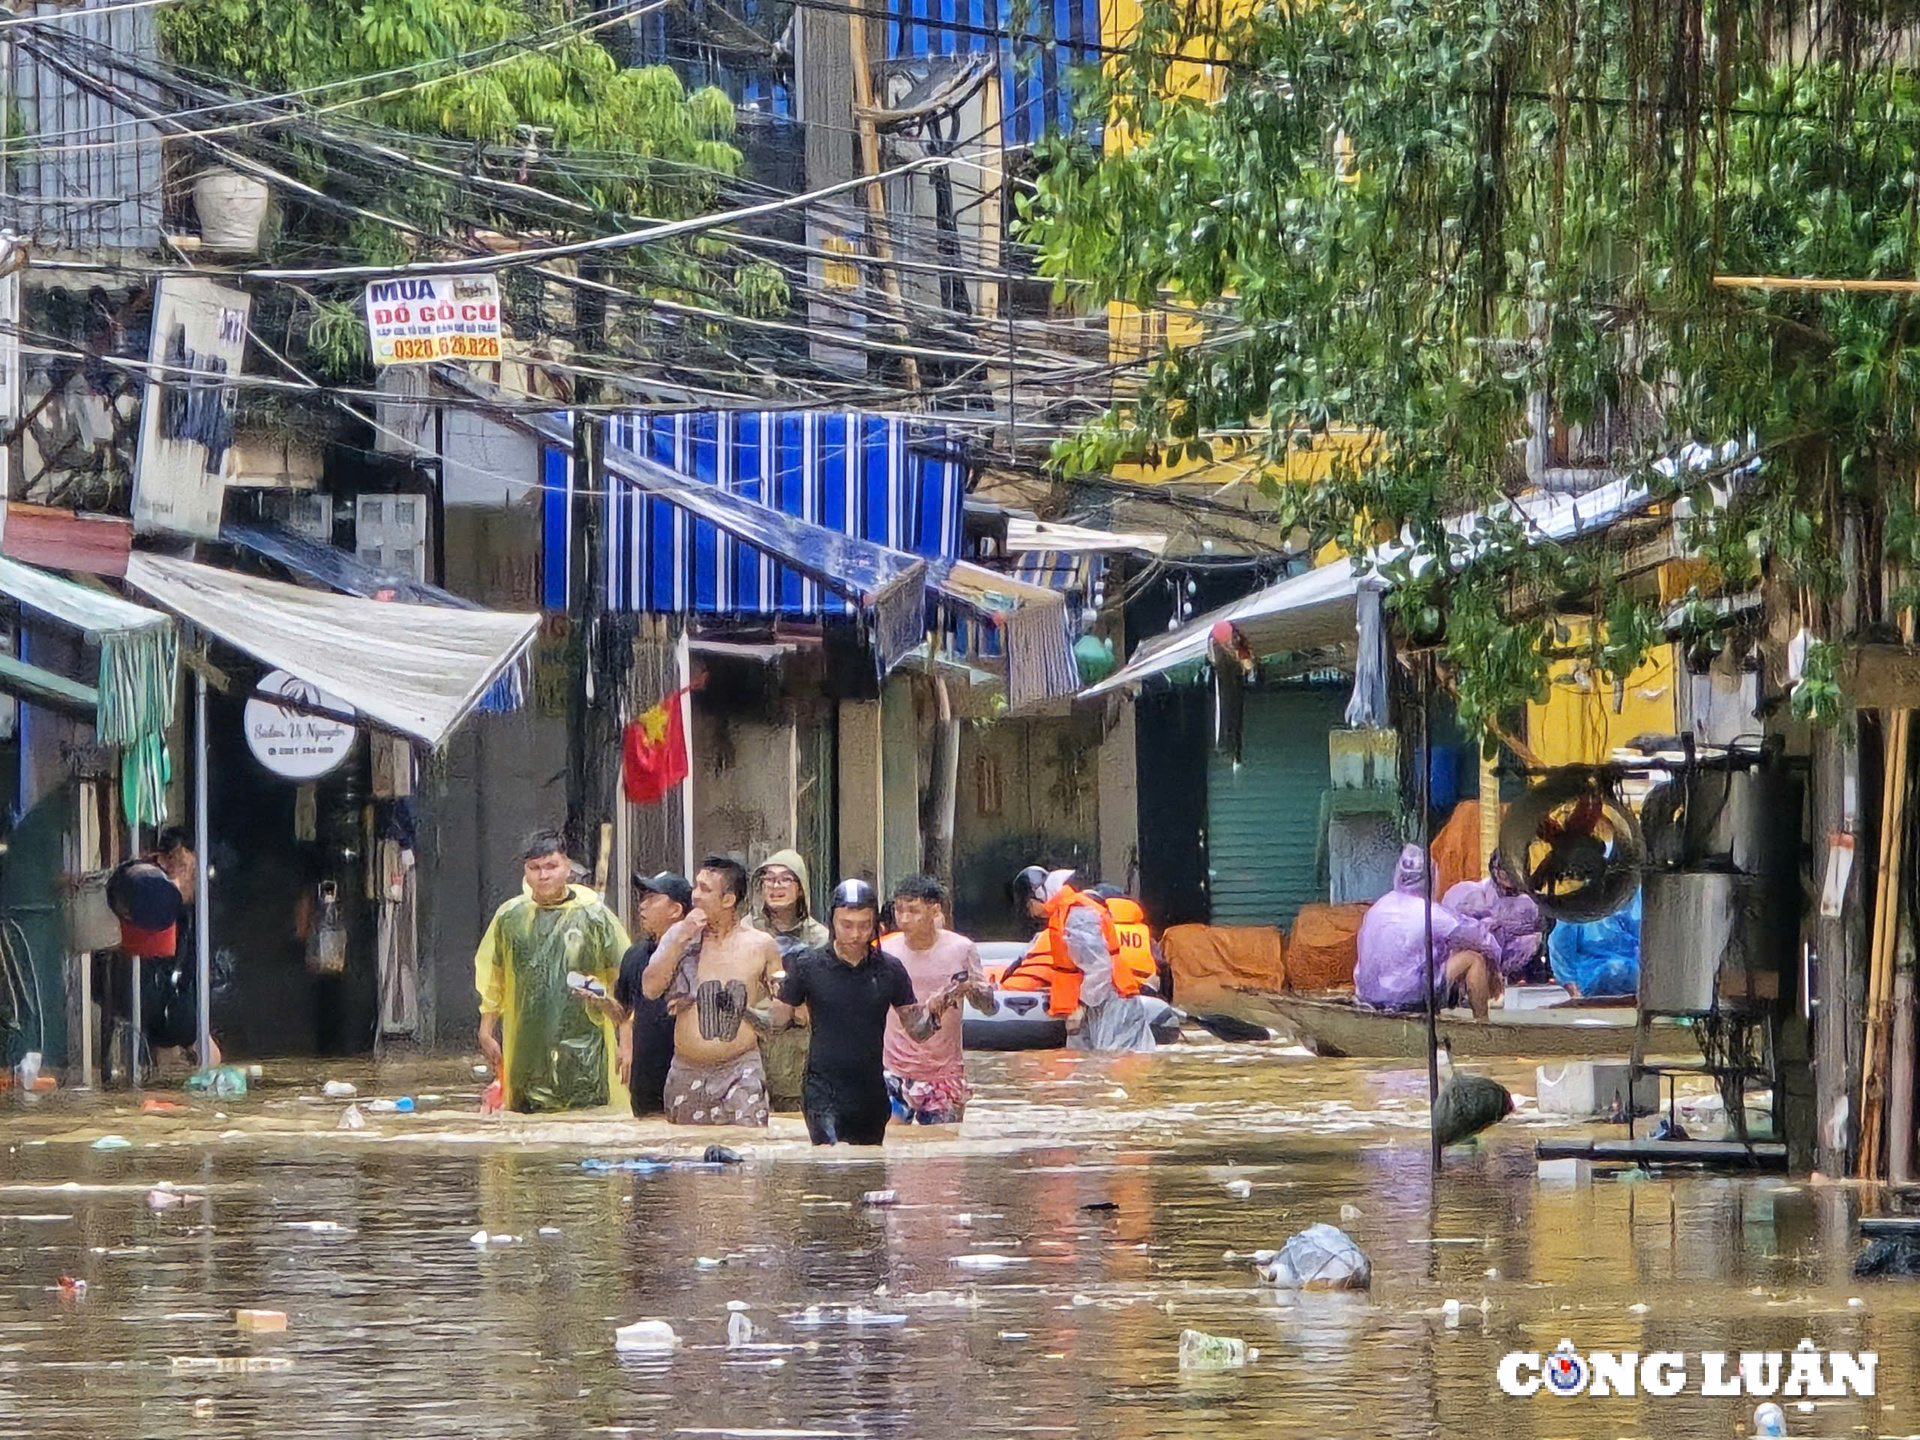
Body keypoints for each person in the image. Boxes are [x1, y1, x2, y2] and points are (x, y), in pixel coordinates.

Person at [758, 879, 959, 1145]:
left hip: (871, 1094)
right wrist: (745, 1010)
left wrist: (936, 1011)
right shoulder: (807, 965)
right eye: (847, 925)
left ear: (876, 923)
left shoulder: (890, 970)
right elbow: (776, 1023)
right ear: (832, 922)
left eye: (864, 926)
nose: (855, 934)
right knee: (829, 1161)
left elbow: (918, 1032)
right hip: (822, 1091)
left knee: (868, 1173)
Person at [474, 830, 630, 1113]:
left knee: (586, 1121)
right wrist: (486, 1029)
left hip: (586, 1045)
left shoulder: (594, 915)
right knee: (526, 1125)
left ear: (567, 867)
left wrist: (627, 1043)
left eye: (551, 866)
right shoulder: (511, 918)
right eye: (534, 868)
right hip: (527, 1045)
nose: (543, 876)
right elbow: (494, 977)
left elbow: (626, 979)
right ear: (525, 871)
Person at [643, 855, 781, 1126]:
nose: (695, 896)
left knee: (747, 1155)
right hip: (687, 1069)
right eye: (696, 887)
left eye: (705, 890)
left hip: (741, 1068)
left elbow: (780, 1002)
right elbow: (650, 988)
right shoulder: (677, 936)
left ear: (728, 900)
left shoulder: (761, 945)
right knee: (688, 1159)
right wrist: (682, 937)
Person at [881, 875, 997, 1125]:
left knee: (943, 1154)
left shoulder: (961, 949)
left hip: (944, 1075)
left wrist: (972, 990)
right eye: (899, 910)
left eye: (913, 911)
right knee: (890, 1145)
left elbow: (988, 1007)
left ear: (935, 911)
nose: (904, 919)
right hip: (893, 1070)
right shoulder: (886, 951)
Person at [1014, 866, 1157, 1053]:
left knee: (1118, 1065)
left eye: (1029, 905)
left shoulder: (1077, 914)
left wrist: (1080, 1007)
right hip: (1092, 1005)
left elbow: (1099, 967)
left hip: (1113, 1003)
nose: (1031, 912)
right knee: (1081, 1065)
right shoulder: (1063, 914)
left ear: (1039, 895)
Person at [1354, 844, 1503, 1021]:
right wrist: (1495, 966)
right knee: (1474, 959)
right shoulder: (1431, 913)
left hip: (1368, 996)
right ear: (1430, 878)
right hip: (1410, 997)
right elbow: (1480, 938)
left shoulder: (1377, 907)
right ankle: (1483, 1025)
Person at [744, 849, 829, 1113]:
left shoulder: (820, 939)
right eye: (769, 879)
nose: (775, 886)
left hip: (800, 1051)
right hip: (753, 1050)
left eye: (784, 880)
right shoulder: (746, 932)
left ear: (800, 888)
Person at [607, 871, 692, 1117]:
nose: (642, 905)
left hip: (688, 1078)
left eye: (652, 898)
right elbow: (623, 1012)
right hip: (645, 1081)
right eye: (642, 898)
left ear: (676, 910)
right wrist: (600, 1001)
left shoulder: (698, 953)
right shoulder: (634, 956)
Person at [1441, 850, 1547, 985]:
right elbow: (1448, 931)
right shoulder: (1469, 893)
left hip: (1510, 971)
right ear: (1495, 870)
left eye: (1515, 870)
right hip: (1467, 967)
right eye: (1505, 870)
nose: (1510, 876)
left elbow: (1534, 931)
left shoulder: (1530, 902)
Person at [1549, 887, 1642, 998]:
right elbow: (1561, 946)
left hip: (1637, 987)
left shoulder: (1636, 898)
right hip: (1593, 986)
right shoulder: (1578, 904)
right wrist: (1573, 990)